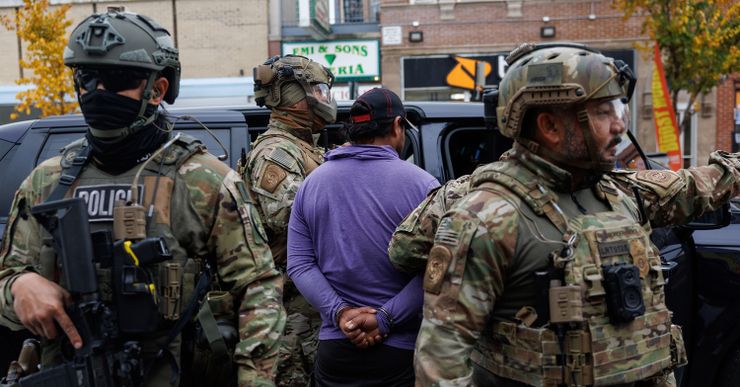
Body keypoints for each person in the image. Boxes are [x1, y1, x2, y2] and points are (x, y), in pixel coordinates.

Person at [407, 42, 740, 386]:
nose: (618, 127)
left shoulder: (618, 192)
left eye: (617, 110)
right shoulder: (486, 217)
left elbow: (693, 187)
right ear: (550, 126)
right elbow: (440, 365)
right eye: (602, 113)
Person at [0, 8, 285, 386]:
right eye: (87, 76)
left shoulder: (203, 181)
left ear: (158, 89)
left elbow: (259, 289)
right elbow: (7, 281)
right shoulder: (46, 182)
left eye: (117, 79)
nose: (98, 91)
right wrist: (18, 287)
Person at [287, 88, 440, 386]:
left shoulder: (312, 183)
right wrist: (383, 318)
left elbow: (300, 265)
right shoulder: (423, 185)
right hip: (401, 350)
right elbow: (439, 269)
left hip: (337, 348)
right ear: (397, 126)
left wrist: (341, 313)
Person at [240, 54, 337, 386]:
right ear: (291, 96)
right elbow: (294, 217)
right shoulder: (276, 154)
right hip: (291, 316)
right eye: (318, 91)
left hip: (308, 309)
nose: (324, 99)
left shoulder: (303, 149)